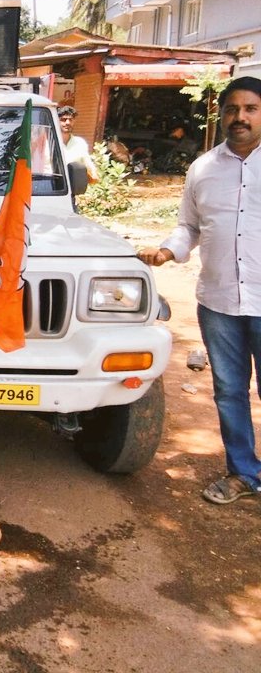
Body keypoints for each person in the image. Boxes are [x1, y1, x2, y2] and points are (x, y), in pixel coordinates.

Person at [137, 75, 261, 505]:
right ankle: (243, 473)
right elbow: (188, 226)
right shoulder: (204, 168)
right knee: (229, 390)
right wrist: (168, 251)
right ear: (221, 114)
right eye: (232, 109)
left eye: (250, 109)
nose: (240, 117)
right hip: (220, 299)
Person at [59, 106, 99, 183]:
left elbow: (87, 163)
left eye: (70, 120)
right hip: (50, 187)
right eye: (63, 120)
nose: (67, 123)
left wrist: (94, 175)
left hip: (71, 187)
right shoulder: (48, 141)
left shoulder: (80, 143)